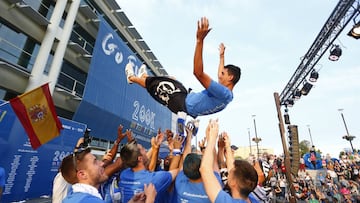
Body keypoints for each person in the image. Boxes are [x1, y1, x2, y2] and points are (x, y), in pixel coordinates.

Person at [124, 17, 241, 118]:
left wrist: (200, 40)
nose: (220, 75)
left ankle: (132, 77)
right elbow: (220, 73)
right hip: (185, 98)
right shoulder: (226, 97)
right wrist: (221, 57)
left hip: (181, 103)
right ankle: (144, 76)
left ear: (230, 77)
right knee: (171, 79)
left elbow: (198, 73)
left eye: (223, 74)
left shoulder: (224, 93)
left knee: (157, 86)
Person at [199, 119, 258, 202]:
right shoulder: (250, 196)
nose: (228, 171)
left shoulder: (226, 201)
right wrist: (227, 146)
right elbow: (232, 168)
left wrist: (211, 138)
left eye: (230, 173)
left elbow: (205, 170)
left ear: (234, 183)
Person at [118, 131, 179, 203]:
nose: (146, 150)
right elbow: (177, 171)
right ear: (140, 158)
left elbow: (145, 165)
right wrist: (176, 149)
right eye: (143, 149)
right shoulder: (154, 179)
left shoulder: (123, 175)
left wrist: (155, 147)